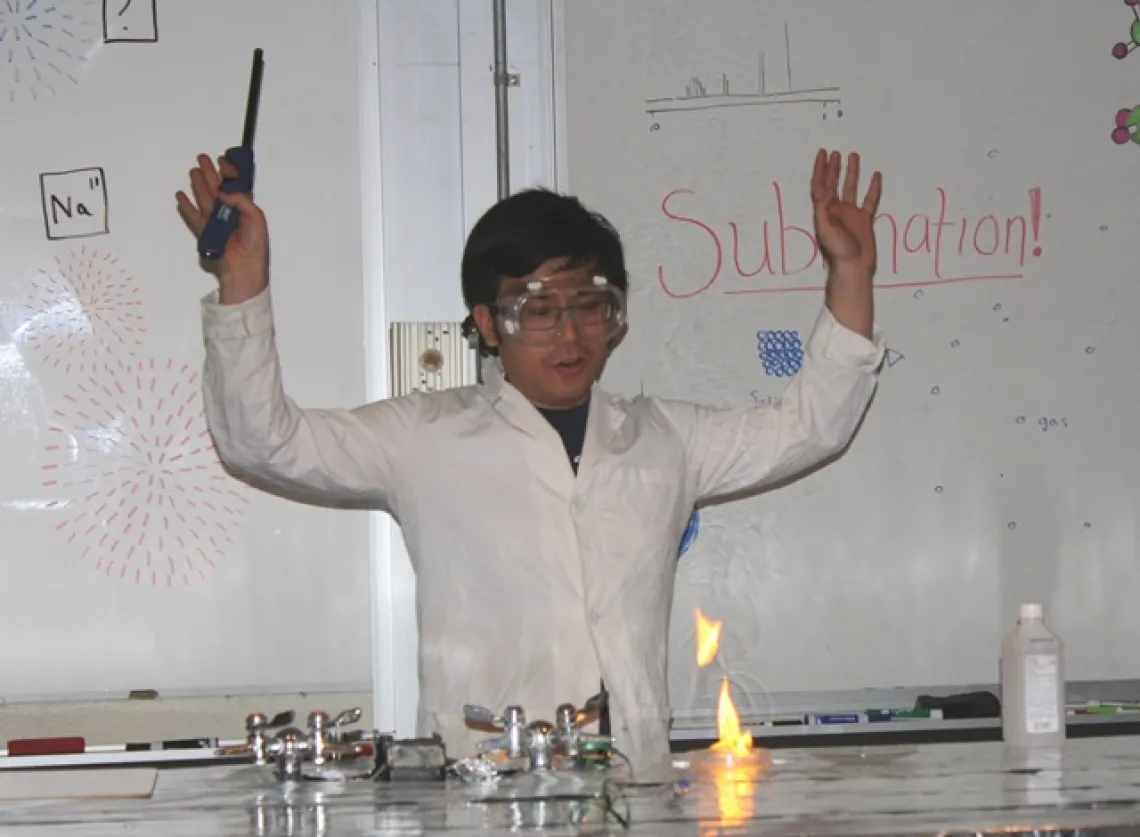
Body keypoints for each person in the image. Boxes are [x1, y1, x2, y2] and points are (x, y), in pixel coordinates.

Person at [175, 148, 885, 780]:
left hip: (632, 788)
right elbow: (261, 441)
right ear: (488, 324)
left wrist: (850, 271)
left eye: (590, 306)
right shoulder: (425, 439)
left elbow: (810, 426)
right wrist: (243, 282)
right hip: (482, 791)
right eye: (538, 311)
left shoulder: (664, 437)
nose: (569, 334)